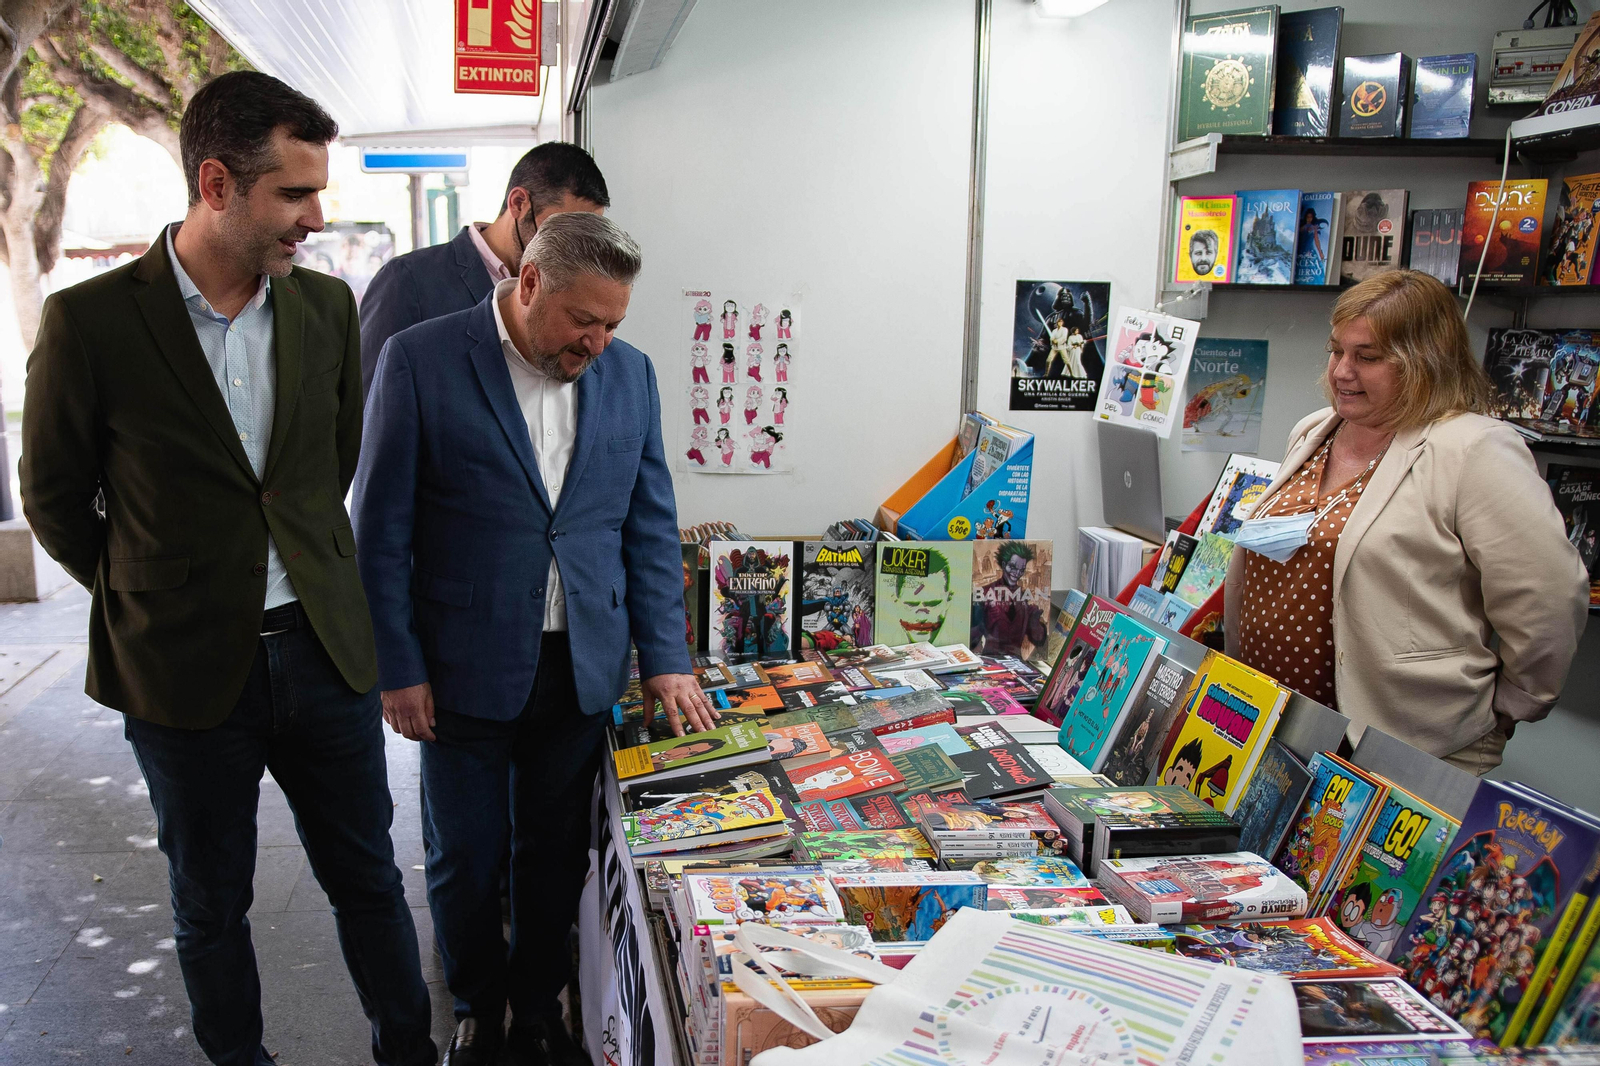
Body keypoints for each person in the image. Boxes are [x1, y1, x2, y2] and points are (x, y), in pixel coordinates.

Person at [19, 72, 435, 1066]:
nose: (315, 216)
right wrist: (150, 590)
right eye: (293, 194)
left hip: (323, 653)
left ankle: (410, 1054)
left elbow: (325, 466)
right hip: (180, 670)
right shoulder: (93, 324)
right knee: (210, 903)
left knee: (371, 878)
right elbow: (54, 498)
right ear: (217, 184)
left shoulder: (329, 309)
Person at [354, 212, 714, 1066]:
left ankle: (539, 1004)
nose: (596, 340)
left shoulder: (632, 377)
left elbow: (650, 527)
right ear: (529, 285)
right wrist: (395, 668)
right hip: (458, 664)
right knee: (465, 857)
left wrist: (666, 657)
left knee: (554, 851)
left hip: (582, 661)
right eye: (582, 321)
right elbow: (381, 533)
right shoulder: (422, 359)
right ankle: (477, 1004)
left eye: (612, 323)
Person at [1224, 270, 1588, 775]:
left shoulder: (1473, 449)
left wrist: (1512, 706)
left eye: (1367, 357)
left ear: (1426, 361)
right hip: (1275, 722)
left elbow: (1548, 594)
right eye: (1336, 351)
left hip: (1396, 742)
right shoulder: (1315, 429)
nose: (1342, 372)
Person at [359, 142, 609, 397]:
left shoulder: (570, 293)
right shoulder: (408, 281)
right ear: (519, 203)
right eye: (563, 232)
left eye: (587, 238)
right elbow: (371, 406)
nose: (575, 251)